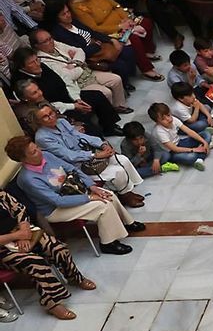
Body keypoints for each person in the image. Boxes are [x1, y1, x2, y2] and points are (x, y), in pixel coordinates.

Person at [5, 137, 142, 253]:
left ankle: (126, 222)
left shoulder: (46, 155)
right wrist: (89, 197)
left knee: (107, 194)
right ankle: (108, 243)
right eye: (34, 152)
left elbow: (72, 169)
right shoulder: (28, 178)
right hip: (55, 209)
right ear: (24, 159)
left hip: (73, 190)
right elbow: (57, 200)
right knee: (102, 206)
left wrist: (92, 187)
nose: (39, 152)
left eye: (37, 148)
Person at [0, 188, 95, 319]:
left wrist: (23, 232)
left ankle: (74, 277)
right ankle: (51, 304)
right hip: (2, 249)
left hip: (21, 233)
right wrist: (16, 236)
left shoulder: (1, 194)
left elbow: (20, 210)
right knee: (36, 263)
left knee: (57, 248)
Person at [31, 103, 144, 201]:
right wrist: (95, 155)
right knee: (117, 171)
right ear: (39, 122)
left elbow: (80, 136)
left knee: (122, 159)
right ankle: (125, 195)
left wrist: (102, 145)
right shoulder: (43, 138)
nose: (51, 117)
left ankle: (128, 191)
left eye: (51, 113)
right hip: (76, 167)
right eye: (45, 117)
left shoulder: (61, 122)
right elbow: (67, 155)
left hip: (87, 156)